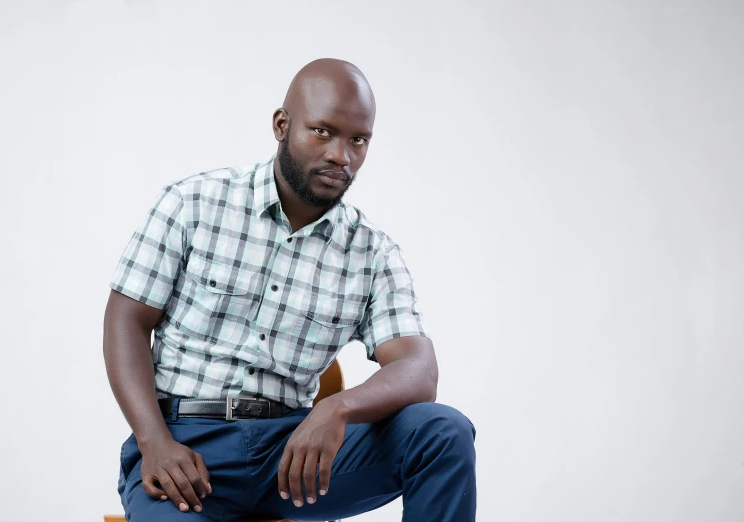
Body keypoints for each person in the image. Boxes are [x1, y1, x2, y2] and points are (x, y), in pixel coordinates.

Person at [103, 58, 476, 522]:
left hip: (295, 457)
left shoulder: (371, 253)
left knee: (442, 432)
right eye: (323, 132)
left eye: (358, 140)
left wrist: (337, 408)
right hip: (187, 449)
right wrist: (153, 440)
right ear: (282, 125)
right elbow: (127, 321)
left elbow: (419, 371)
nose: (341, 155)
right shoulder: (195, 203)